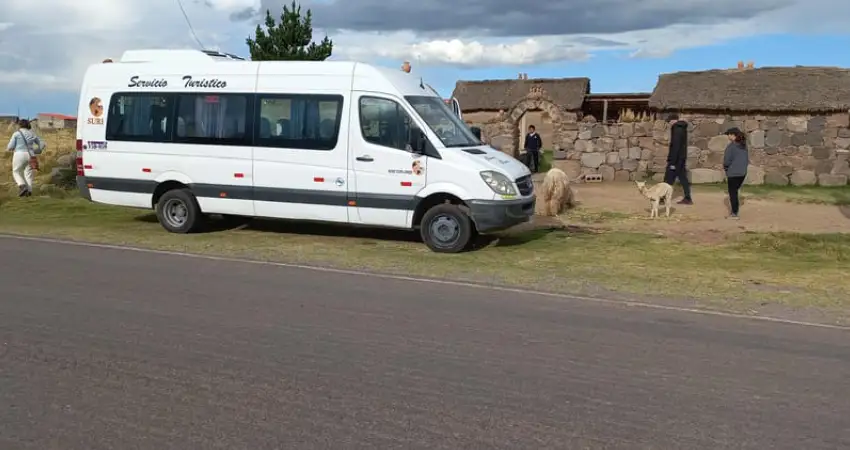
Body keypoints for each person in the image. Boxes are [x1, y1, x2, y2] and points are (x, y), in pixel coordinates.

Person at [6, 119, 45, 197]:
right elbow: (42, 144)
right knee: (28, 173)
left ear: (19, 125)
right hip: (31, 155)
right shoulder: (32, 134)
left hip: (19, 154)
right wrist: (37, 151)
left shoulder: (16, 134)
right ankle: (29, 192)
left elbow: (10, 147)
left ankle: (22, 186)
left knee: (16, 171)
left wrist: (9, 149)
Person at [664, 113, 693, 205]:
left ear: (673, 120)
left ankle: (662, 198)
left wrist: (672, 162)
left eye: (669, 122)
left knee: (668, 178)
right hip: (681, 158)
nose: (669, 124)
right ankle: (688, 198)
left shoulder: (677, 129)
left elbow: (676, 146)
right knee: (682, 178)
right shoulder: (682, 128)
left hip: (676, 159)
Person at [723, 127, 749, 219]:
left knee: (732, 193)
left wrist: (726, 169)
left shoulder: (731, 146)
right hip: (742, 173)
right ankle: (734, 211)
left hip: (733, 173)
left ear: (732, 135)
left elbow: (726, 161)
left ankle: (734, 213)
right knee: (735, 191)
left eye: (728, 134)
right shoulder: (744, 145)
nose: (728, 136)